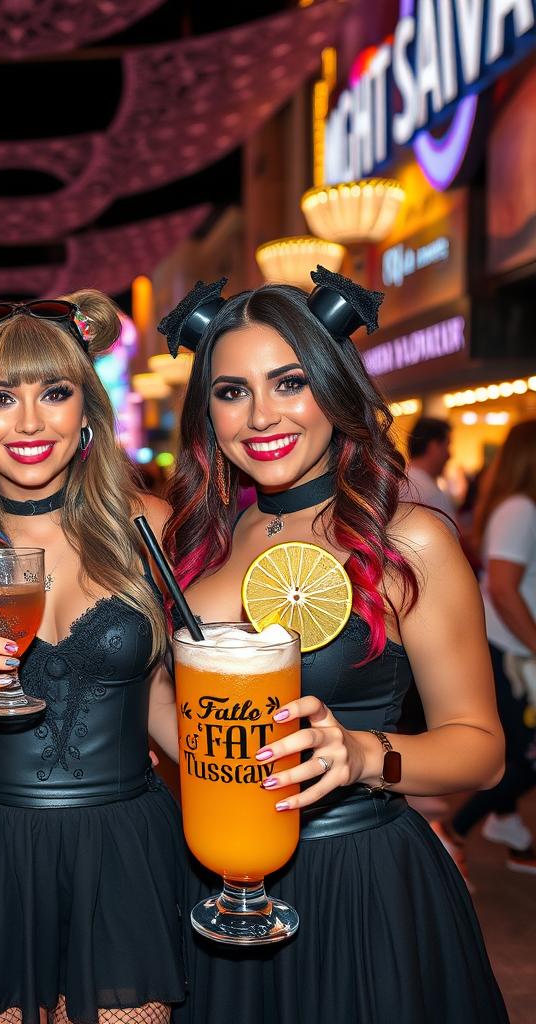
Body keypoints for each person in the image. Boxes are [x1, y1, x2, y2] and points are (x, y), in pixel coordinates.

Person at [161, 269, 508, 1024]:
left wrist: (361, 755)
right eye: (231, 391)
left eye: (289, 382)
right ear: (207, 413)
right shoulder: (197, 540)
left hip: (360, 881)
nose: (260, 416)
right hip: (216, 885)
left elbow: (482, 749)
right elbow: (180, 725)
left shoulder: (406, 540)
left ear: (334, 387)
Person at [0, 293, 187, 1024]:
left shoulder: (147, 529)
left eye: (54, 392)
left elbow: (160, 705)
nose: (29, 422)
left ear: (87, 411)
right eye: (1, 397)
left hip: (125, 848)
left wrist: (244, 760)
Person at [437, 419, 536, 875]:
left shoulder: (517, 506)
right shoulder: (521, 509)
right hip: (510, 650)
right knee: (521, 756)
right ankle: (455, 829)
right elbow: (502, 588)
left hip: (510, 647)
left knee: (519, 751)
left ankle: (506, 825)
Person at [403, 416, 456, 520]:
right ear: (433, 446)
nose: (449, 455)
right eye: (447, 445)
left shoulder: (400, 481)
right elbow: (449, 534)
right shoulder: (429, 493)